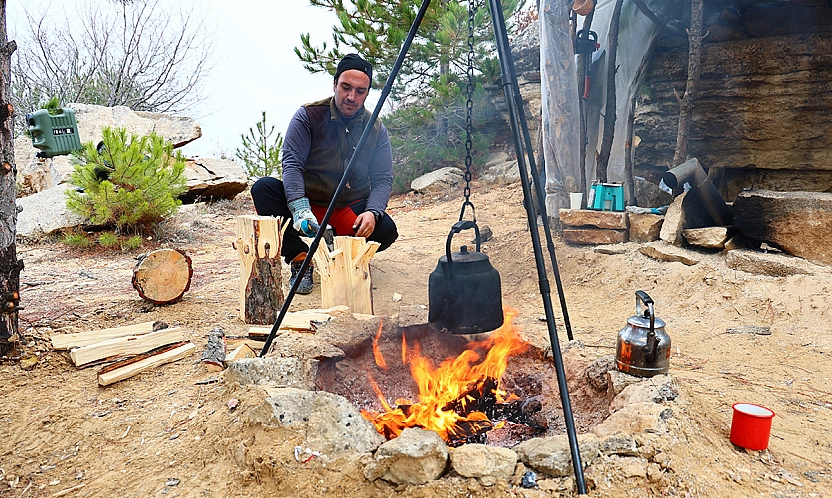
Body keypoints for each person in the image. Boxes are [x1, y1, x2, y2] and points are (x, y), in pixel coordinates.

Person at [251, 53, 398, 294]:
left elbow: (382, 179)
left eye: (360, 91)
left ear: (367, 93)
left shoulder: (375, 128)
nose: (351, 97)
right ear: (335, 84)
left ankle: (342, 253)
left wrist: (373, 212)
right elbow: (292, 164)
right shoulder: (308, 116)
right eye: (346, 87)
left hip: (348, 208)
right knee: (263, 189)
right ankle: (300, 258)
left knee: (385, 229)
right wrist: (299, 207)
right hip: (308, 203)